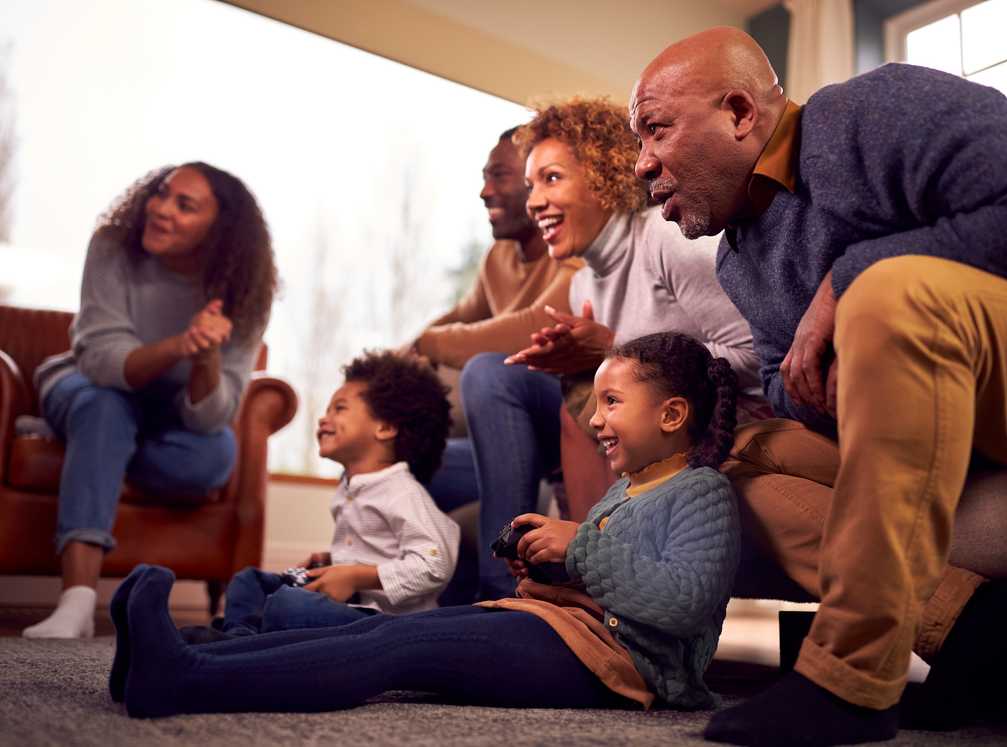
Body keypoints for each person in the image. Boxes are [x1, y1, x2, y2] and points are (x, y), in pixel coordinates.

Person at [629, 27, 1007, 746]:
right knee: (736, 459)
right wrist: (816, 385)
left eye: (655, 131)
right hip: (945, 416)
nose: (643, 166)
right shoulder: (739, 259)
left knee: (892, 293)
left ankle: (849, 679)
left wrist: (851, 278)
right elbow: (779, 376)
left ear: (738, 112)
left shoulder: (873, 112)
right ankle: (975, 628)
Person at [108, 332, 742, 718]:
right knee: (401, 632)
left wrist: (578, 545)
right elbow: (608, 577)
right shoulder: (625, 490)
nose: (594, 420)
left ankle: (180, 680)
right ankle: (188, 650)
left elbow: (682, 604)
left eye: (611, 402)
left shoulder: (702, 493)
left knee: (393, 650)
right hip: (560, 627)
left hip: (616, 666)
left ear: (672, 414)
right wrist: (546, 562)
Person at [461, 98, 765, 601]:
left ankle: (585, 572)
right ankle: (561, 574)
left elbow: (757, 354)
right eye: (532, 185)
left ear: (605, 175)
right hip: (656, 424)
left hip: (725, 413)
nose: (535, 201)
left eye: (553, 179)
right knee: (578, 390)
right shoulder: (589, 284)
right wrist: (586, 361)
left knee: (593, 390)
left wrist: (614, 353)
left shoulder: (670, 243)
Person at [23, 163, 277, 639]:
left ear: (219, 229)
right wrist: (179, 345)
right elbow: (101, 361)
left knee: (215, 453)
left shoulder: (246, 290)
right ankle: (76, 602)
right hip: (85, 384)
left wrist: (206, 357)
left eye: (185, 205)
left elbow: (211, 417)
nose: (160, 209)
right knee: (104, 410)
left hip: (164, 411)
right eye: (162, 194)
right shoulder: (112, 247)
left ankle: (93, 448)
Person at [191, 351, 459, 640]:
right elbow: (378, 548)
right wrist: (333, 560)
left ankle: (232, 644)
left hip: (383, 624)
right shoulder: (350, 488)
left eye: (339, 408)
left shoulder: (403, 492)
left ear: (385, 428)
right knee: (248, 581)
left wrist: (355, 575)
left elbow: (435, 565)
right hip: (349, 607)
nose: (323, 418)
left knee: (288, 606)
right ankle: (237, 639)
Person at [407, 127, 583, 514]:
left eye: (499, 175)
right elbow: (462, 316)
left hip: (563, 419)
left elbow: (535, 327)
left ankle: (502, 573)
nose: (485, 191)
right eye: (485, 177)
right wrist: (401, 356)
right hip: (506, 433)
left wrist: (431, 344)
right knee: (392, 462)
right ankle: (358, 566)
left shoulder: (576, 243)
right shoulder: (498, 255)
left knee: (487, 372)